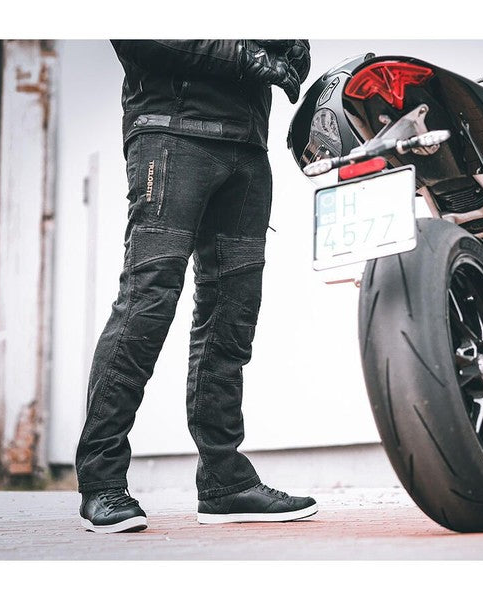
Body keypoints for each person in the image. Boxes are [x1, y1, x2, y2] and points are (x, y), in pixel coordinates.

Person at [75, 39, 317, 533]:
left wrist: (285, 46)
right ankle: (101, 482)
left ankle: (225, 483)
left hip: (247, 149)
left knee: (232, 317)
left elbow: (294, 55)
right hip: (171, 135)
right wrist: (252, 55)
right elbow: (146, 34)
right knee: (147, 303)